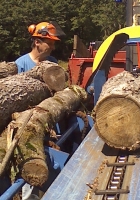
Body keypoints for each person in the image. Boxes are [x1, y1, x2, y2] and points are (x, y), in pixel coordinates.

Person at [15, 21, 65, 200]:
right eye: (48, 43)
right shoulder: (20, 65)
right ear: (37, 42)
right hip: (29, 131)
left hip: (52, 128)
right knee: (31, 181)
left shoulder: (52, 63)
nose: (52, 47)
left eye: (53, 44)